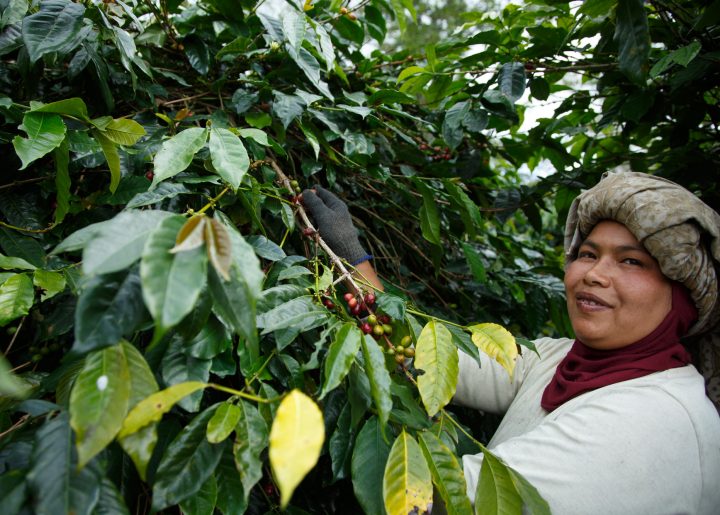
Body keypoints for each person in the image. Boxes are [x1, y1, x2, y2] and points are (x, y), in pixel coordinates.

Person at [302, 170, 720, 514]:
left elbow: (447, 501)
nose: (594, 274)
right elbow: (429, 358)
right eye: (588, 254)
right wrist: (352, 259)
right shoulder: (561, 359)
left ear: (682, 295)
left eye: (631, 261)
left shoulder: (653, 419)